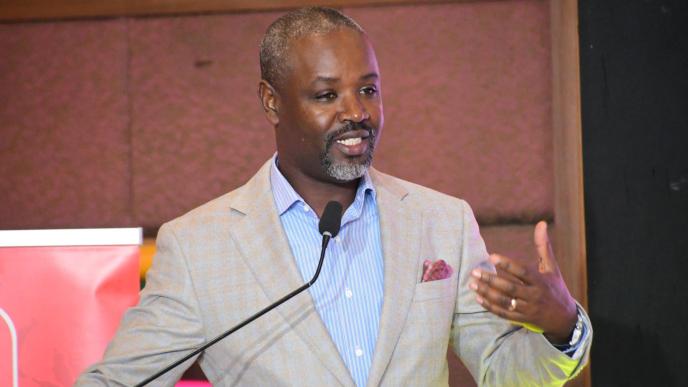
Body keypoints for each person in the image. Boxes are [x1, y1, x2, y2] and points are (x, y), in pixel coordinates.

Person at [77, 7, 591, 386]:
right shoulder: (198, 248)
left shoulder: (443, 221)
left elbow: (503, 369)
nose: (356, 112)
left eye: (367, 89)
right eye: (326, 95)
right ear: (271, 102)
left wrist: (560, 325)